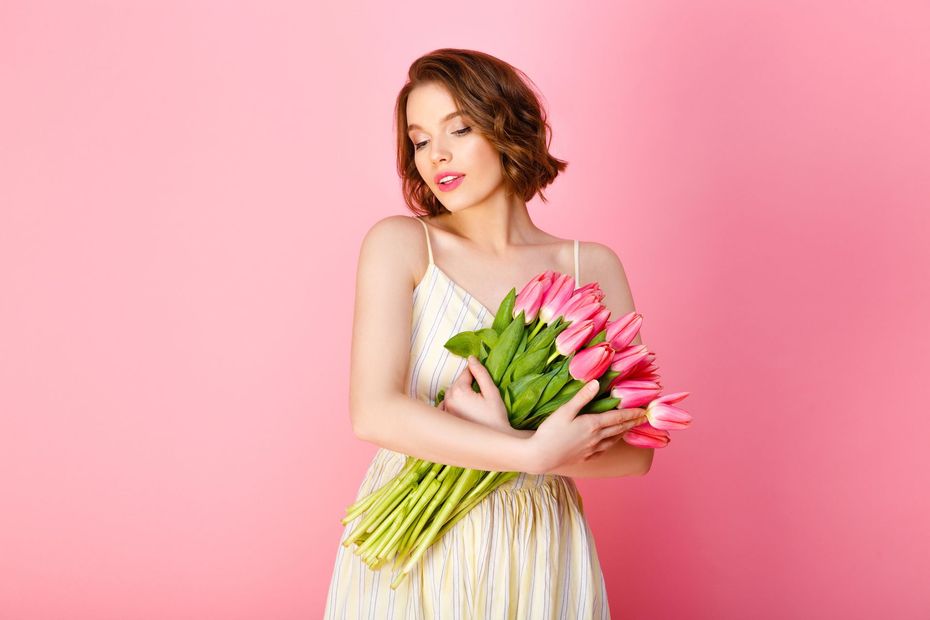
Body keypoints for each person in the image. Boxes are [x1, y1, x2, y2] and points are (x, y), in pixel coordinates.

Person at [324, 48, 653, 619]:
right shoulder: (402, 244)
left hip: (537, 538)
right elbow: (372, 412)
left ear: (507, 126)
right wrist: (530, 451)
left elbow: (633, 453)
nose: (437, 155)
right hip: (415, 547)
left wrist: (534, 458)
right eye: (420, 140)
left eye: (460, 128)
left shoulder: (590, 267)